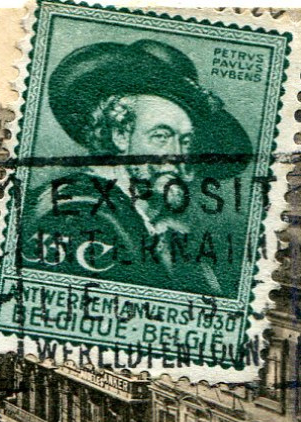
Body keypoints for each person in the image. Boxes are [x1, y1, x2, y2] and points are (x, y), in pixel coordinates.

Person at [22, 38, 252, 298]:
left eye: (185, 141)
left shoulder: (167, 232)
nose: (177, 156)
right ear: (120, 135)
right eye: (161, 136)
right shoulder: (72, 213)